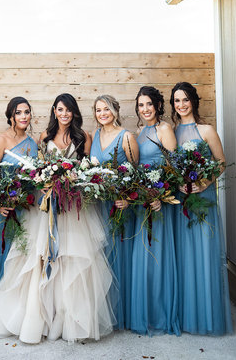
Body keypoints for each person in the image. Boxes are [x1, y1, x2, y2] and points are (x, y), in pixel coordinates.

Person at [0, 93, 114, 343]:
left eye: (69, 110)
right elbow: (37, 171)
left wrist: (73, 182)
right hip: (46, 209)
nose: (64, 114)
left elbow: (86, 171)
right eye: (60, 109)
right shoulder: (43, 137)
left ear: (74, 112)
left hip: (73, 208)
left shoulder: (83, 137)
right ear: (54, 111)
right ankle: (40, 318)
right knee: (41, 259)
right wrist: (44, 184)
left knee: (71, 261)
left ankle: (68, 322)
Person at [170, 82, 232, 335]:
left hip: (203, 198)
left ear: (193, 101)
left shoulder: (206, 130)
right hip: (180, 201)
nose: (181, 105)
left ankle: (207, 317)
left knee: (204, 255)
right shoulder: (171, 132)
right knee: (184, 257)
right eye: (177, 101)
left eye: (185, 100)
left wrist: (204, 181)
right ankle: (186, 316)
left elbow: (221, 163)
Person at [0, 97, 38, 328]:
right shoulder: (1, 141)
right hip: (5, 211)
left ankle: (20, 312)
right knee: (4, 259)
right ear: (11, 116)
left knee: (22, 260)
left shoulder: (32, 142)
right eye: (19, 113)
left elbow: (34, 176)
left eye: (26, 112)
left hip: (26, 209)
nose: (23, 116)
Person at [129, 86, 180, 335]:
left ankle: (160, 315)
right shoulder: (139, 132)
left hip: (159, 200)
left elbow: (174, 166)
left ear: (158, 106)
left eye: (149, 104)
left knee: (157, 254)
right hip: (142, 200)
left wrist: (162, 195)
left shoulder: (164, 129)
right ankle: (144, 312)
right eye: (141, 105)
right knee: (143, 255)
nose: (145, 109)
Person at [90, 94, 139, 329]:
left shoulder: (127, 137)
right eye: (98, 110)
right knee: (102, 258)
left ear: (115, 110)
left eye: (106, 109)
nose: (102, 114)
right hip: (98, 206)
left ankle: (123, 315)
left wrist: (128, 199)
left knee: (119, 257)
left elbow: (135, 174)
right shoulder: (94, 136)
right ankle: (104, 315)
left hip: (119, 206)